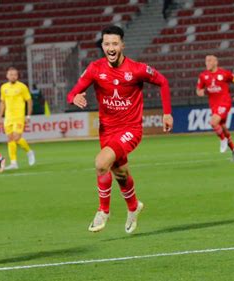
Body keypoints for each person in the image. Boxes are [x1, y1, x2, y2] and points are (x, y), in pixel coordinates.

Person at [67, 25, 173, 234]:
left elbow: (163, 82)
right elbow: (72, 94)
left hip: (130, 129)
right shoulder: (95, 69)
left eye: (115, 43)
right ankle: (134, 207)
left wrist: (167, 113)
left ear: (122, 45)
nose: (111, 47)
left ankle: (103, 211)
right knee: (121, 173)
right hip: (106, 130)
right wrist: (74, 98)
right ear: (103, 46)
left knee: (100, 163)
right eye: (107, 44)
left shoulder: (137, 69)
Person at [196, 55, 234, 161]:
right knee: (223, 128)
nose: (207, 63)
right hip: (214, 105)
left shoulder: (224, 73)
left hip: (225, 102)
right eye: (206, 61)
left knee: (213, 122)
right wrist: (203, 92)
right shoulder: (203, 76)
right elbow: (198, 91)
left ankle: (222, 140)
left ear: (216, 62)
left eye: (209, 60)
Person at [0, 66, 36, 170]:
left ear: (17, 76)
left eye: (15, 75)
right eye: (11, 75)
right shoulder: (3, 87)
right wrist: (0, 117)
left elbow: (29, 101)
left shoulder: (22, 87)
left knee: (16, 137)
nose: (13, 76)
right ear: (7, 76)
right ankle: (14, 163)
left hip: (19, 116)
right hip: (8, 117)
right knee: (10, 139)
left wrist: (28, 115)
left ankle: (29, 151)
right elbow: (2, 102)